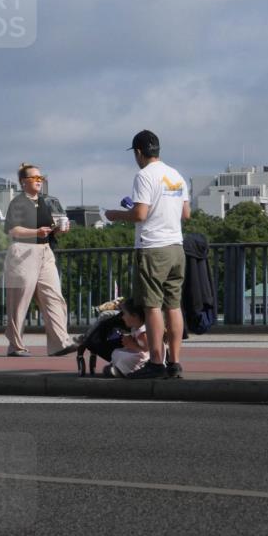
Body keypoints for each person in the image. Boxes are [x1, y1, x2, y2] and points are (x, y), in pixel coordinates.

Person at [105, 130, 190, 379]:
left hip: (153, 247)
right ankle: (174, 362)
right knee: (173, 306)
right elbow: (186, 214)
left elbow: (140, 214)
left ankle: (155, 362)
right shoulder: (176, 175)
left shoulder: (144, 176)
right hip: (176, 247)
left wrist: (115, 215)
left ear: (139, 152)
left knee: (152, 306)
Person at [2, 163, 78, 358]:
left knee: (54, 297)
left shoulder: (44, 202)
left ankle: (60, 343)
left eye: (40, 178)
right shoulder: (18, 203)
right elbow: (13, 230)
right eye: (34, 178)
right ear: (23, 182)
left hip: (45, 251)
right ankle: (15, 346)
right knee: (19, 301)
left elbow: (48, 228)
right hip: (23, 252)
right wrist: (35, 232)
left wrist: (58, 230)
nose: (39, 181)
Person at [102, 299, 149, 378]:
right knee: (116, 352)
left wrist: (132, 345)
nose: (123, 317)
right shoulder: (135, 329)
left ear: (134, 316)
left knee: (125, 356)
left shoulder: (143, 333)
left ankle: (125, 371)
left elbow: (148, 353)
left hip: (144, 360)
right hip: (140, 355)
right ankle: (120, 369)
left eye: (124, 314)